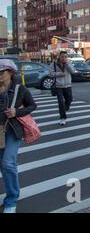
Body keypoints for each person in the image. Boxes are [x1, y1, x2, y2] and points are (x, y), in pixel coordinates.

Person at [0, 59, 37, 213]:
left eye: (1, 72)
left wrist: (16, 112)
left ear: (10, 73)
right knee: (5, 165)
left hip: (12, 131)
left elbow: (32, 106)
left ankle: (11, 199)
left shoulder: (19, 89)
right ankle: (11, 189)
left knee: (8, 163)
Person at [49, 51, 77, 126]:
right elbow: (50, 74)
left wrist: (67, 64)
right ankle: (63, 118)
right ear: (59, 56)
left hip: (68, 85)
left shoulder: (69, 63)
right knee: (61, 102)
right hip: (58, 86)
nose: (64, 58)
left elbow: (73, 72)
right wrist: (59, 74)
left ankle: (65, 109)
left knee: (70, 99)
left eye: (65, 56)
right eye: (62, 56)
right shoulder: (54, 64)